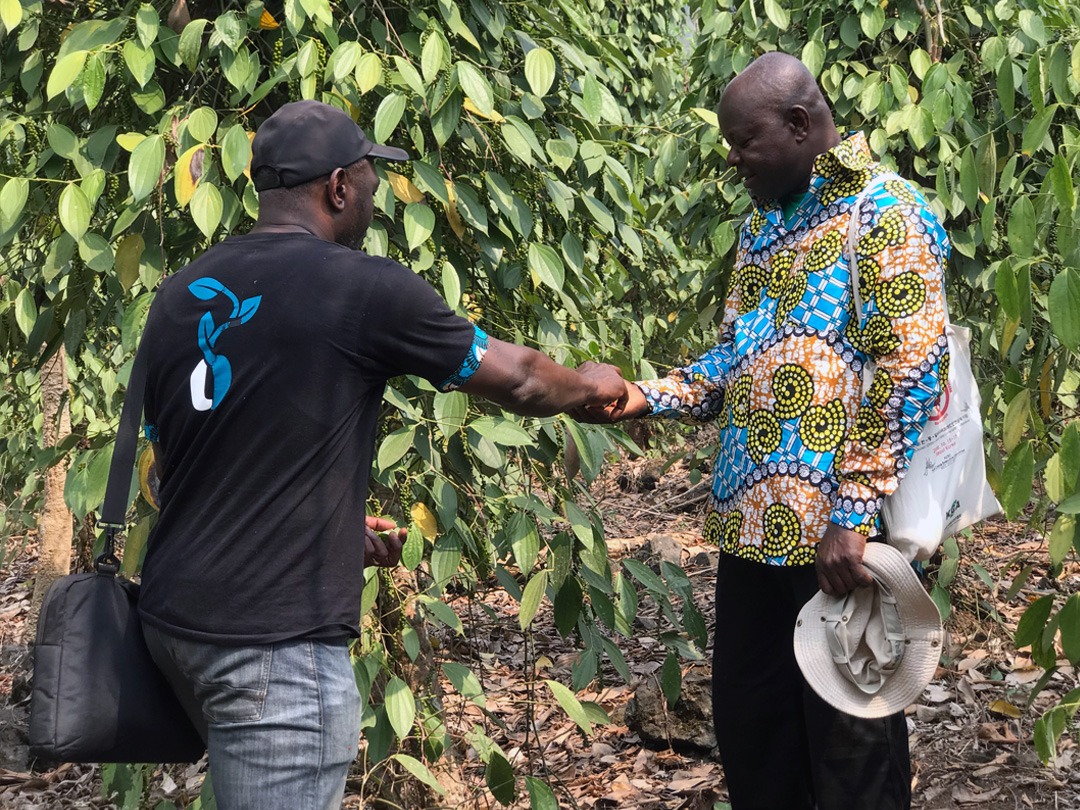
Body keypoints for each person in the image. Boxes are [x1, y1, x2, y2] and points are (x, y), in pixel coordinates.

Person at [136, 99, 628, 809]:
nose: (374, 197)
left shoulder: (181, 293)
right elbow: (518, 378)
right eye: (369, 180)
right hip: (272, 647)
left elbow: (172, 466)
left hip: (176, 624)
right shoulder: (361, 287)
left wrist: (321, 529)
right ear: (338, 187)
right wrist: (591, 384)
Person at [573, 52, 948, 810]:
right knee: (757, 743)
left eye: (744, 140)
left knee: (851, 758)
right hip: (752, 538)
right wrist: (641, 397)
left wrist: (850, 516)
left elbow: (913, 366)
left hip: (841, 547)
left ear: (800, 125)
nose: (733, 157)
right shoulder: (764, 226)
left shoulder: (885, 211)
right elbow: (736, 361)